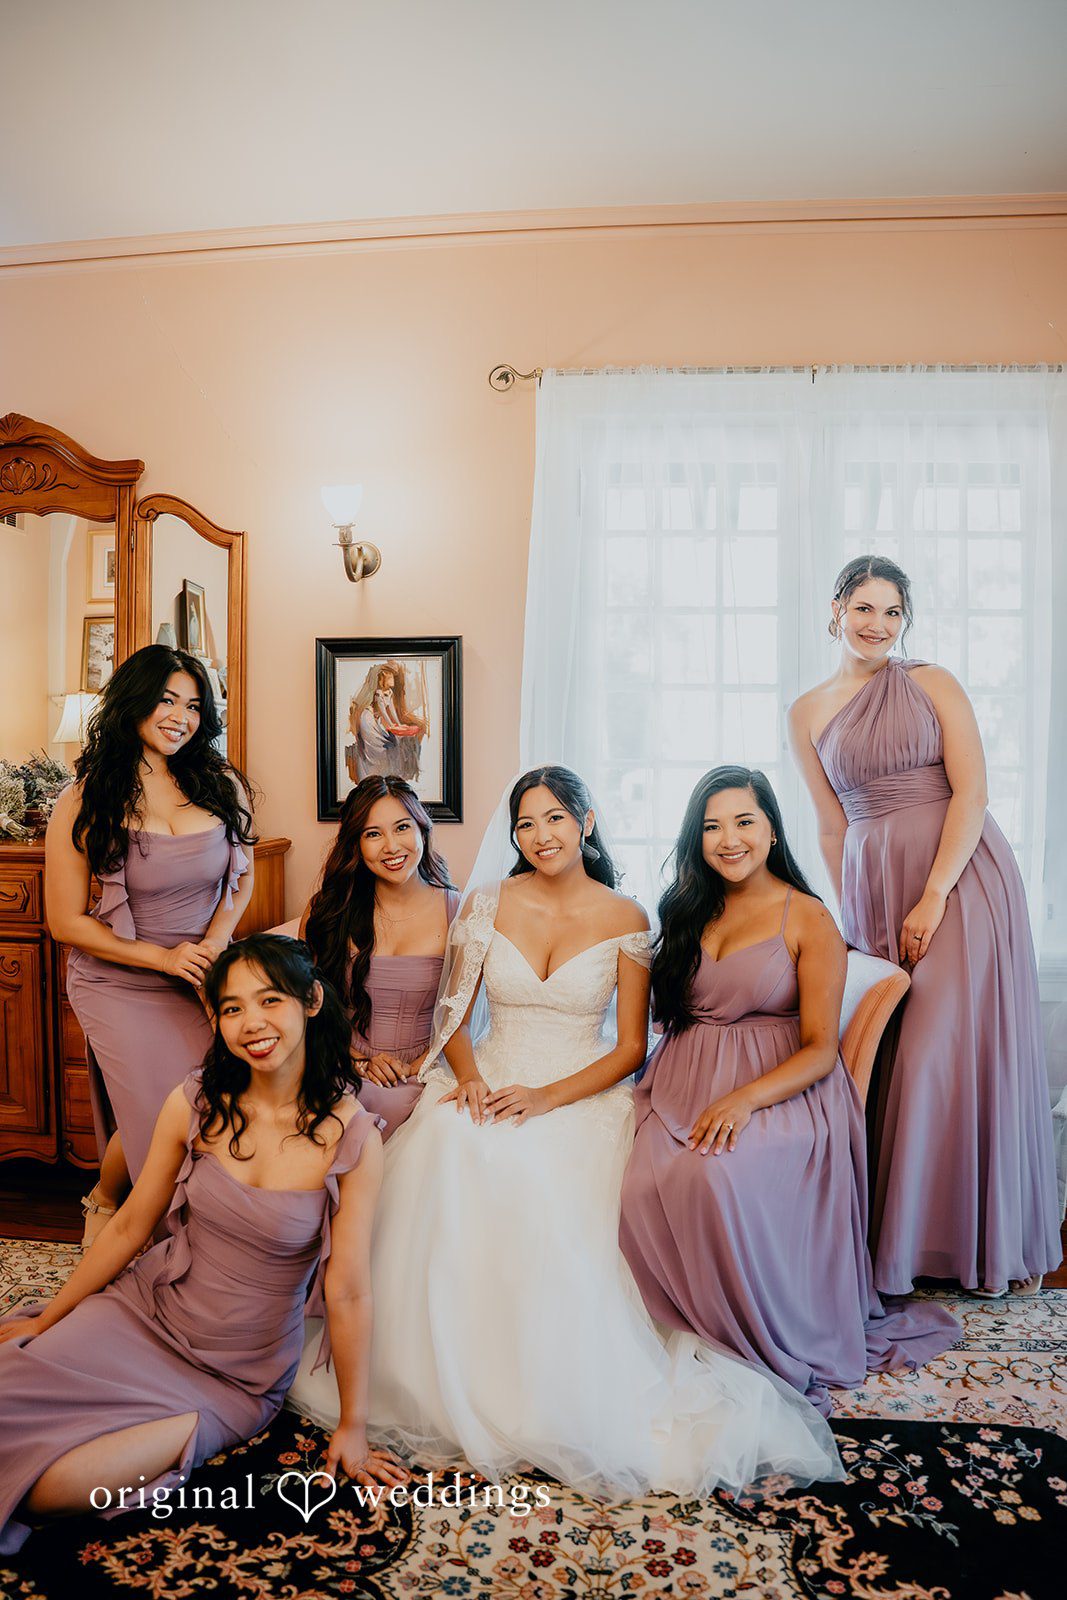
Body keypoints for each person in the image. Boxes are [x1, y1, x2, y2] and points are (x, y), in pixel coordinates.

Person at [287, 765, 842, 1500]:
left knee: (551, 1183)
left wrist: (545, 1098)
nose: (539, 835)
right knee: (455, 1148)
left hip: (579, 1088)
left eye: (554, 818)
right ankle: (443, 1375)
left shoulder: (630, 918)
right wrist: (476, 1080)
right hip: (489, 1076)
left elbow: (629, 1050)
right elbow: (452, 1015)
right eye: (525, 823)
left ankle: (551, 1384)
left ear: (584, 822)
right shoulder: (484, 903)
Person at [0, 935, 405, 1554]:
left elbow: (347, 1288)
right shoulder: (194, 1101)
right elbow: (134, 1225)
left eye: (270, 1000)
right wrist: (53, 1317)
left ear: (312, 1000)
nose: (252, 1023)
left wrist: (354, 1425)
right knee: (11, 1390)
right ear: (215, 1019)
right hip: (147, 1311)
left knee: (56, 1486)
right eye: (232, 1008)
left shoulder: (350, 1137)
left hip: (233, 1374)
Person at [619, 767, 959, 1414]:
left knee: (713, 1178)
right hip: (681, 1077)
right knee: (638, 1182)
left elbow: (818, 1048)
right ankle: (670, 1331)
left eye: (743, 821)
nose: (728, 839)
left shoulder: (806, 916)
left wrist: (744, 1099)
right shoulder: (684, 908)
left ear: (771, 829)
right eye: (712, 826)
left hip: (785, 1086)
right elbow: (663, 1015)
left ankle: (742, 1337)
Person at [788, 555, 1061, 1297]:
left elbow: (971, 792)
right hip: (872, 884)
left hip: (960, 877)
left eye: (892, 612)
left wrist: (934, 892)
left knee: (939, 1055)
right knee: (891, 1052)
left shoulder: (932, 682)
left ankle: (962, 1249)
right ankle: (903, 1251)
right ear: (835, 608)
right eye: (863, 608)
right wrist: (848, 916)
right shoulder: (807, 711)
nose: (877, 625)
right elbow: (827, 824)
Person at [46, 645, 256, 1243]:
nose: (180, 716)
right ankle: (148, 1227)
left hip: (202, 972)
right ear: (135, 700)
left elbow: (242, 878)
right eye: (167, 699)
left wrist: (216, 941)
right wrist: (162, 957)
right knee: (166, 1103)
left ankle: (108, 1194)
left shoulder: (221, 784)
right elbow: (66, 922)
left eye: (193, 705)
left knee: (209, 1097)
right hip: (118, 978)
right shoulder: (84, 800)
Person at [302, 775, 459, 1139]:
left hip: (428, 1071)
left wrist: (415, 1068)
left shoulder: (458, 911)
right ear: (356, 844)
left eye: (402, 827)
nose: (391, 846)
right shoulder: (328, 912)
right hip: (343, 1068)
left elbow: (465, 1018)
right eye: (373, 834)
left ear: (422, 830)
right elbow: (308, 1005)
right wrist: (358, 1061)